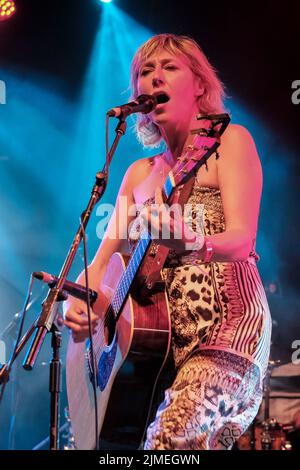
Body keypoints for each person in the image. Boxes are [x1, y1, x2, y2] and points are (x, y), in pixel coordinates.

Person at [63, 33, 272, 450]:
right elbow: (100, 265)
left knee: (169, 442)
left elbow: (243, 239)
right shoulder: (139, 176)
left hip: (229, 328)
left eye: (168, 67)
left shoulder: (228, 142)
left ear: (199, 84)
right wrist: (83, 308)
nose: (154, 78)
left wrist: (194, 243)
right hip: (155, 356)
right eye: (145, 71)